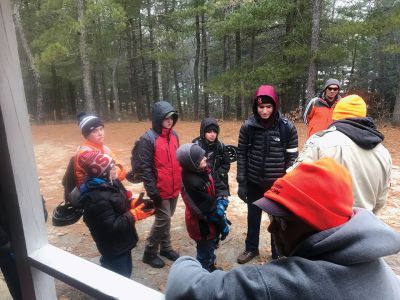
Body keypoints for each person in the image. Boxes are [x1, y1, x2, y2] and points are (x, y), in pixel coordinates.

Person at [165, 158, 400, 300]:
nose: (270, 229)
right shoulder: (380, 269)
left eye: (281, 220)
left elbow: (184, 288)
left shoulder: (291, 285)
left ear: (312, 224)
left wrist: (187, 261)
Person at [291, 94, 392, 213]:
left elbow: (295, 180)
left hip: (326, 225)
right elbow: (380, 201)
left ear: (336, 117)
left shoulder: (320, 141)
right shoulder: (383, 153)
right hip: (363, 224)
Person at [236, 84, 298, 263]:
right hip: (254, 182)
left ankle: (278, 251)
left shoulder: (287, 127)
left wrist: (288, 183)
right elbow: (242, 155)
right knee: (253, 217)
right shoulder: (248, 127)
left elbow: (292, 157)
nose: (264, 111)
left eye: (268, 107)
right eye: (261, 107)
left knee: (278, 220)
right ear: (255, 107)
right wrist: (242, 182)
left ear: (275, 106)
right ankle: (251, 248)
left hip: (277, 185)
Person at [78, 151, 154, 278]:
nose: (115, 169)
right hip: (113, 246)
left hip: (121, 241)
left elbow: (120, 201)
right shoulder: (96, 199)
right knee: (122, 276)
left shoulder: (111, 182)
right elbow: (111, 227)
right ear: (102, 173)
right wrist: (134, 215)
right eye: (111, 168)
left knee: (114, 269)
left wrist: (134, 203)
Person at [134, 101, 182, 268]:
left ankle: (166, 248)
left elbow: (179, 160)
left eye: (172, 118)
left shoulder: (174, 135)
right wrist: (152, 191)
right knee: (163, 220)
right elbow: (146, 168)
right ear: (158, 118)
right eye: (166, 118)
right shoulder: (148, 139)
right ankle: (149, 252)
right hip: (159, 189)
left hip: (175, 186)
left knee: (167, 219)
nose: (170, 121)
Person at [176, 143, 230, 272]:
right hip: (202, 226)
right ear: (192, 162)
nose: (205, 158)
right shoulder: (192, 182)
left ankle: (211, 267)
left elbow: (219, 184)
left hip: (212, 220)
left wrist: (222, 198)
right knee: (204, 253)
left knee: (211, 248)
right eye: (201, 157)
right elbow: (209, 211)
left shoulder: (204, 169)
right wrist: (222, 224)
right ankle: (203, 276)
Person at [74, 112, 126, 188]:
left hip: (104, 190)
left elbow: (121, 170)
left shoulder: (104, 148)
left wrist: (117, 171)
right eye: (95, 131)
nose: (100, 133)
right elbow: (109, 178)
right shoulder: (85, 153)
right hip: (91, 194)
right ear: (87, 135)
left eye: (101, 129)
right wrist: (116, 172)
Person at [192, 117, 231, 194]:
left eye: (215, 132)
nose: (212, 134)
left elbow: (226, 164)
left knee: (220, 204)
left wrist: (218, 175)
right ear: (203, 132)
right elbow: (192, 165)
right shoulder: (196, 145)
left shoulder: (220, 146)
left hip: (218, 184)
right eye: (209, 132)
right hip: (202, 184)